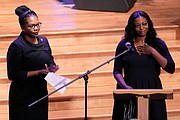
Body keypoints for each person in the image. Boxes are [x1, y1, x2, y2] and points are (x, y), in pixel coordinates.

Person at [112, 10, 175, 120]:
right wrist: (125, 87)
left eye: (144, 24)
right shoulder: (125, 45)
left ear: (149, 24)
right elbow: (117, 71)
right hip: (130, 88)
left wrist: (152, 52)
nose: (142, 28)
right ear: (132, 27)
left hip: (153, 89)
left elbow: (170, 68)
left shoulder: (158, 44)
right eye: (137, 25)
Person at [7, 5, 59, 120]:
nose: (36, 28)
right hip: (23, 95)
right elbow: (13, 74)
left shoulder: (44, 41)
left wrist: (52, 68)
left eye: (37, 24)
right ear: (23, 27)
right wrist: (38, 72)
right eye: (31, 26)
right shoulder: (17, 46)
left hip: (40, 92)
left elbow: (49, 60)